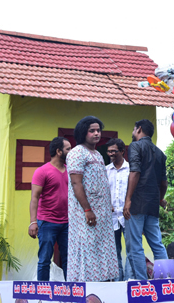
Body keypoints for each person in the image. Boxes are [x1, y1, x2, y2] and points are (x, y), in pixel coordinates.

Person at [66, 116, 118, 282]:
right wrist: (87, 210)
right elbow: (76, 183)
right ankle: (86, 286)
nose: (97, 133)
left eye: (98, 130)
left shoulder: (97, 153)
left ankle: (103, 282)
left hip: (101, 213)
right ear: (83, 133)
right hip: (85, 212)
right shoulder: (76, 153)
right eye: (92, 130)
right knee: (87, 247)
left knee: (102, 246)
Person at [123, 119, 168, 280]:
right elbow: (164, 182)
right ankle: (164, 280)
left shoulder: (135, 146)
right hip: (152, 205)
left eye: (134, 129)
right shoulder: (160, 153)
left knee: (135, 246)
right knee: (157, 244)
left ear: (139, 129)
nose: (133, 132)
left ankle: (141, 283)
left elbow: (134, 172)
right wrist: (160, 198)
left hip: (136, 203)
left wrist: (128, 200)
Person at [29, 136, 71, 281]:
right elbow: (34, 198)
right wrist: (33, 222)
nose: (71, 152)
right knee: (45, 259)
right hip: (47, 222)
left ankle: (71, 293)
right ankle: (43, 293)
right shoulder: (42, 171)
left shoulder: (70, 171)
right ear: (59, 151)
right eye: (68, 149)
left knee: (69, 261)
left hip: (67, 223)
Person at [106, 138, 133, 281]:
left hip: (127, 216)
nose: (110, 154)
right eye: (109, 151)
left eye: (114, 151)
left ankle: (128, 281)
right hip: (111, 218)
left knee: (131, 250)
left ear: (122, 151)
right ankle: (117, 282)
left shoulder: (131, 170)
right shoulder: (106, 170)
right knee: (114, 252)